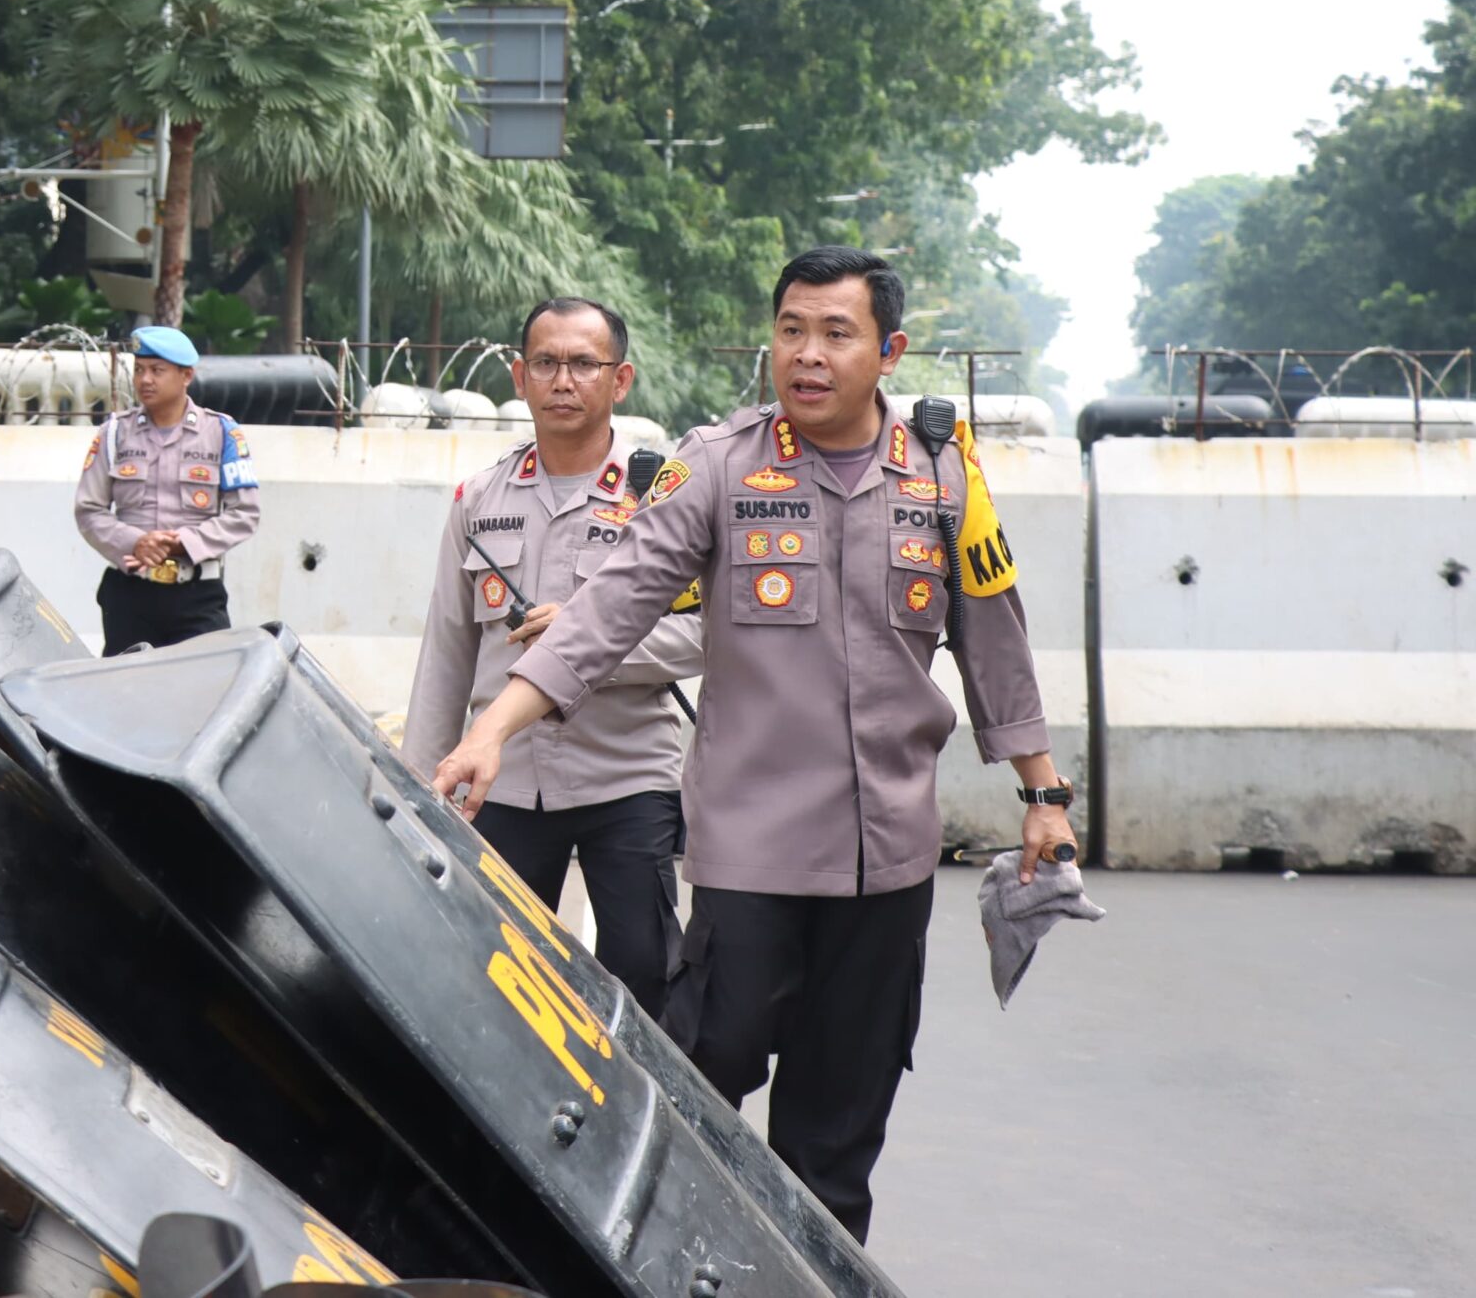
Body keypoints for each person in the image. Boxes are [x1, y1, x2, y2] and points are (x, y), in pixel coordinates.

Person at [430, 246, 1077, 1244]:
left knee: (839, 1120)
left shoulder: (943, 469)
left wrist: (1042, 793)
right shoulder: (718, 463)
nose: (807, 354)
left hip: (886, 857)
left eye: (835, 333)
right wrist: (490, 729)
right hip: (749, 853)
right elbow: (610, 607)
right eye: (791, 330)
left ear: (888, 352)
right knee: (705, 1069)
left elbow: (991, 630)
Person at [399, 297, 702, 1018]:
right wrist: (419, 785)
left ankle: (635, 1091)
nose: (563, 380)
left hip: (626, 773)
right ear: (519, 376)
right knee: (495, 970)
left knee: (643, 968)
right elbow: (448, 646)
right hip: (503, 779)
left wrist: (585, 636)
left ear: (620, 379)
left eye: (584, 364)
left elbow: (701, 636)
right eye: (545, 362)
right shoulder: (480, 498)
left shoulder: (663, 495)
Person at [74, 324, 261, 656]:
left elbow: (244, 513)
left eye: (157, 371)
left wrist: (184, 542)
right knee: (124, 684)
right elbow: (89, 511)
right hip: (130, 594)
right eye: (139, 370)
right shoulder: (114, 434)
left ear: (186, 375)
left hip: (197, 595)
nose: (145, 380)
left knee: (206, 681)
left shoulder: (221, 433)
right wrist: (135, 542)